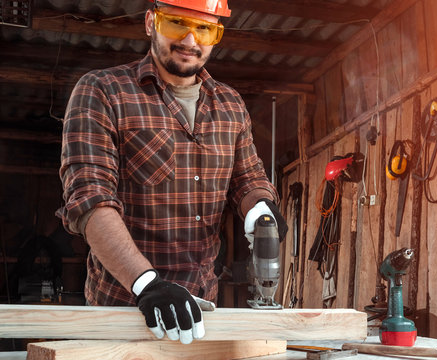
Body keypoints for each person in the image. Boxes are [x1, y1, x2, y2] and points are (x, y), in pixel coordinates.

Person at [57, 0, 287, 345]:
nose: (190, 40)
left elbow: (248, 178)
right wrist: (145, 283)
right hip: (125, 310)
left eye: (205, 29)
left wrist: (259, 206)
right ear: (151, 22)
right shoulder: (102, 91)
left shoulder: (231, 104)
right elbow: (89, 200)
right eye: (177, 24)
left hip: (201, 310)